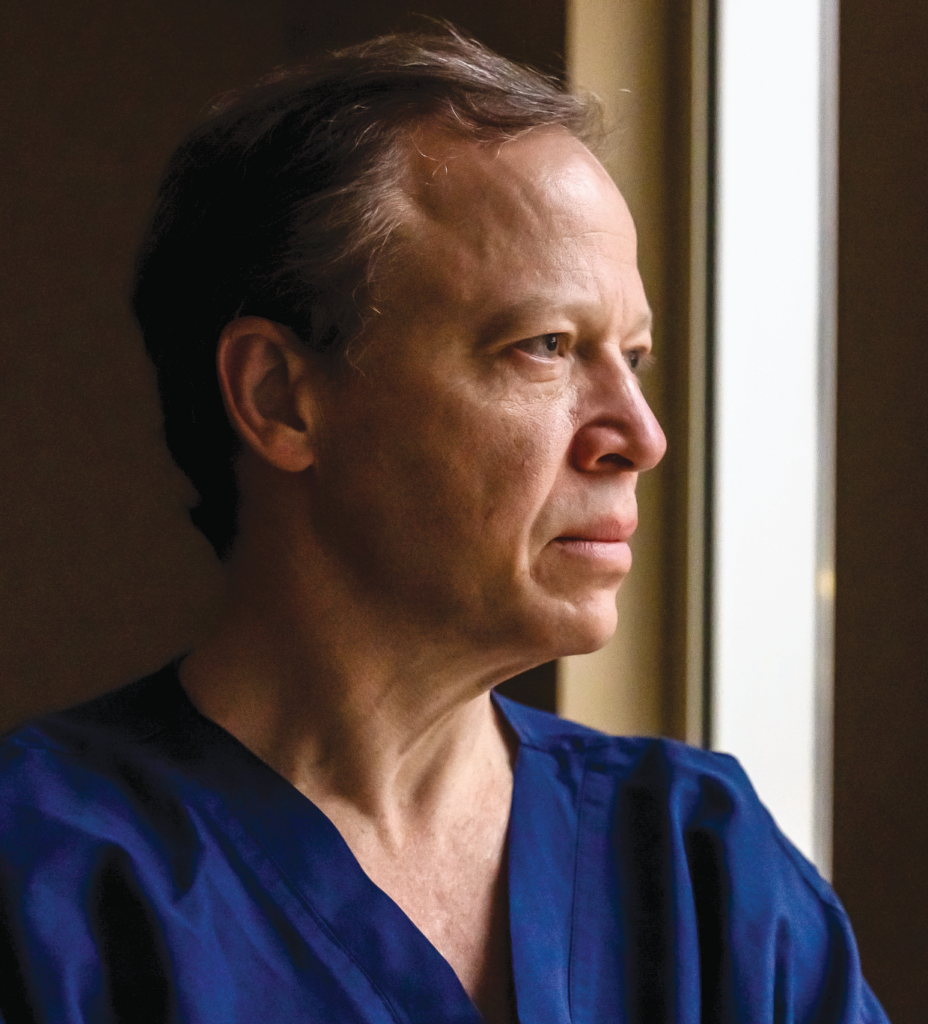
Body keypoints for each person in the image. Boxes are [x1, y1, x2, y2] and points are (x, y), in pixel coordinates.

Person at [0, 29, 887, 1024]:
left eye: (631, 358)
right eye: (545, 345)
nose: (640, 437)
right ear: (281, 398)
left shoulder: (704, 872)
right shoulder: (44, 886)